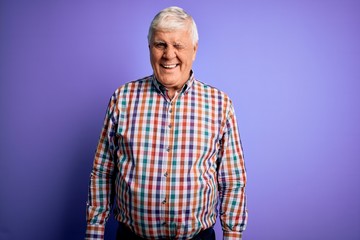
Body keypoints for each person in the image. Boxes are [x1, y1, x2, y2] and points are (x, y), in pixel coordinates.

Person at [86, 6, 247, 240]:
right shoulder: (122, 98)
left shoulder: (220, 105)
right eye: (160, 44)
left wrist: (232, 235)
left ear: (194, 49)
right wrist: (94, 232)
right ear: (150, 48)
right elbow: (102, 172)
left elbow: (233, 181)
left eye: (178, 45)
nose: (168, 55)